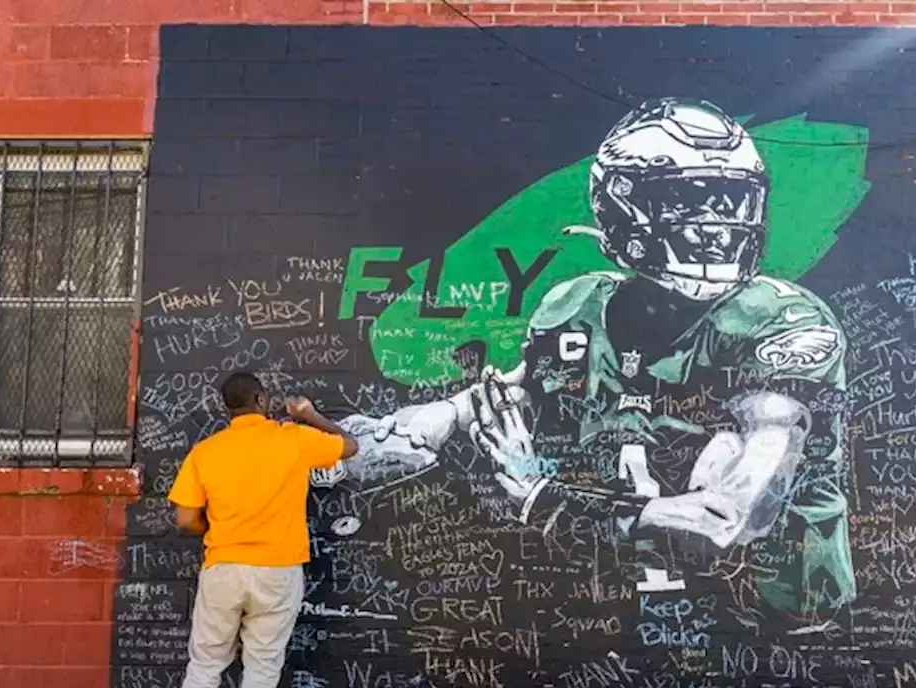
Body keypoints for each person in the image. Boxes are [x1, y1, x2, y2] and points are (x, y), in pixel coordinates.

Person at [324, 97, 855, 629]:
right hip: (615, 614)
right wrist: (425, 425)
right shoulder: (579, 306)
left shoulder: (783, 323)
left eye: (731, 201)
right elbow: (524, 387)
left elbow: (721, 523)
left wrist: (540, 497)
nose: (717, 226)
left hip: (765, 630)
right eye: (690, 200)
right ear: (622, 206)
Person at [159, 372, 361, 688]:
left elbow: (185, 518)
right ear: (262, 399)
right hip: (277, 569)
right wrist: (310, 415)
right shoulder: (291, 438)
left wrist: (219, 531)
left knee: (205, 665)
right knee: (263, 664)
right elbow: (349, 445)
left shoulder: (206, 451)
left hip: (223, 568)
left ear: (224, 407)